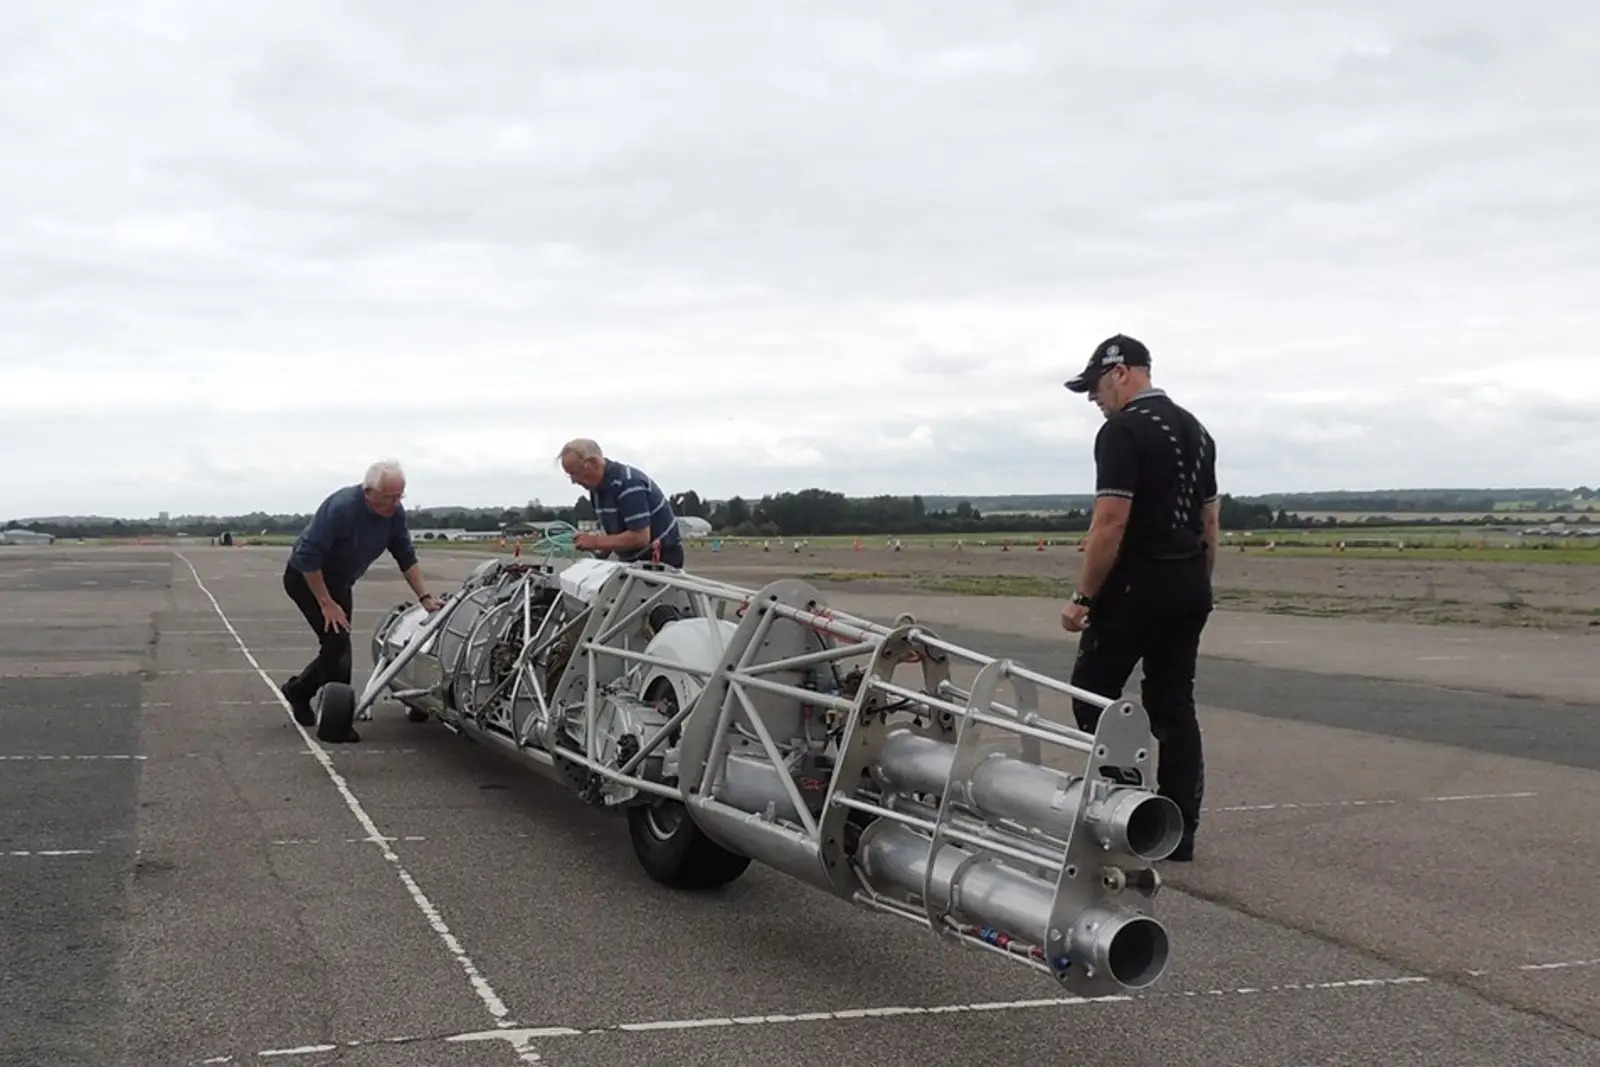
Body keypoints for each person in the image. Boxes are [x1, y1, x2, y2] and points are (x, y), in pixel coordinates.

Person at [1060, 335, 1219, 861]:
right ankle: (1180, 829)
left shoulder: (1121, 432)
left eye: (1096, 389)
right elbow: (1209, 523)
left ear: (1121, 373)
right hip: (1189, 583)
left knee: (1093, 693)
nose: (1095, 401)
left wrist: (1083, 595)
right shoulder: (1198, 431)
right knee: (1173, 702)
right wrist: (1199, 581)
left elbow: (1110, 522)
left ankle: (1126, 808)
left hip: (1137, 586)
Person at [280, 459, 443, 740]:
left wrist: (425, 597)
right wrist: (326, 603)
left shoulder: (394, 515)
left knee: (337, 647)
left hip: (340, 582)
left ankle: (299, 691)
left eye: (399, 496)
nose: (394, 503)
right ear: (368, 492)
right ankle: (336, 722)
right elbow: (308, 556)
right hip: (307, 577)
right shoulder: (341, 508)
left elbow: (406, 556)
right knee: (337, 643)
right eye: (388, 497)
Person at [557, 438, 685, 567]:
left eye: (575, 473)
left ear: (591, 463)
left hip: (660, 559)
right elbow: (615, 534)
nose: (574, 481)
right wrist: (598, 551)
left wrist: (595, 541)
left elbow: (640, 538)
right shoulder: (597, 489)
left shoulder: (628, 484)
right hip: (634, 560)